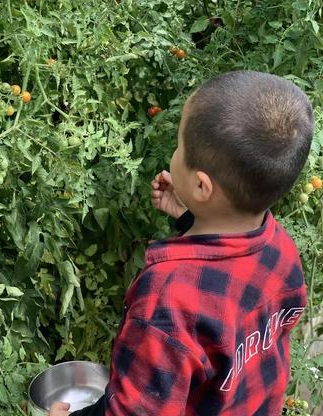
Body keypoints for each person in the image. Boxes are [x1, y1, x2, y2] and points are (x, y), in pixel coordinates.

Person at [49, 71, 314, 416]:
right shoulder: (281, 250)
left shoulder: (168, 298)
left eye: (179, 146)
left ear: (203, 187)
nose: (175, 153)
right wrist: (191, 219)